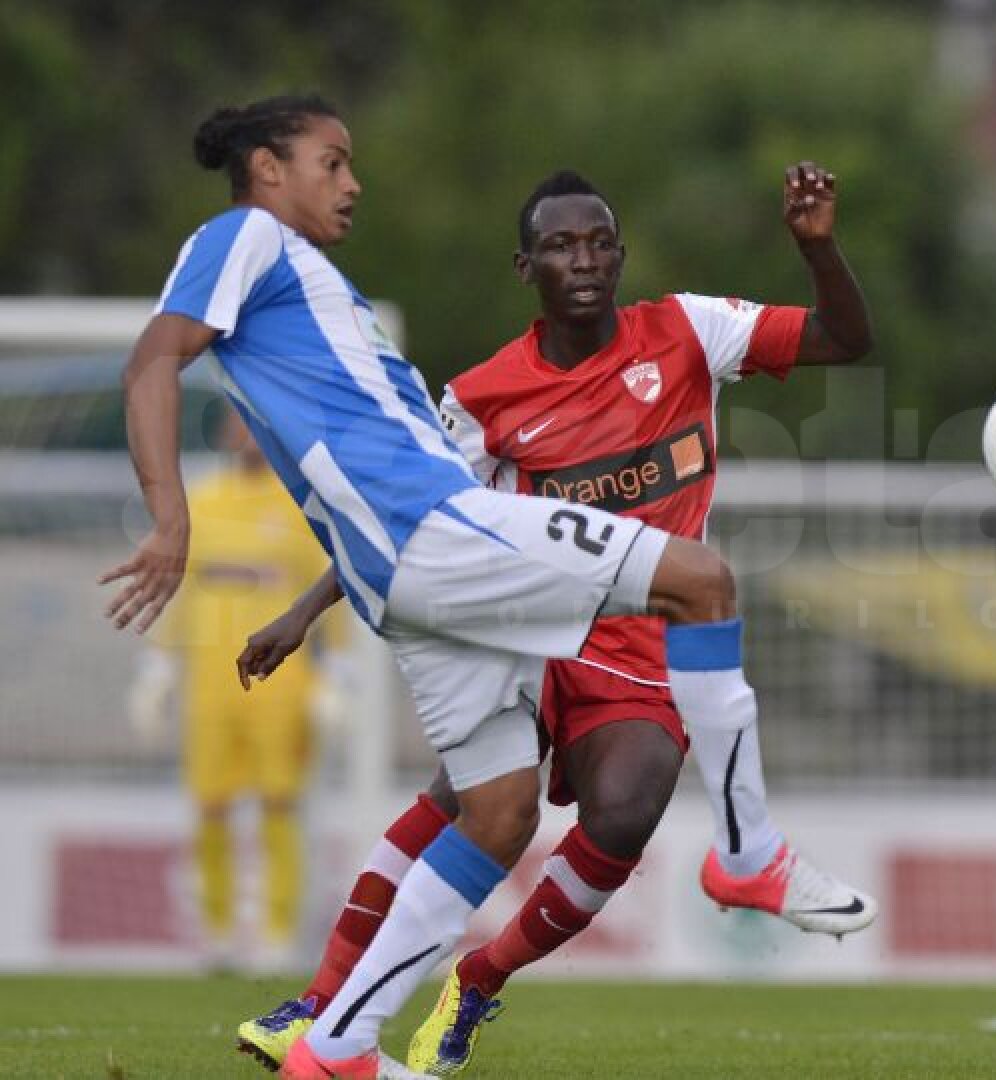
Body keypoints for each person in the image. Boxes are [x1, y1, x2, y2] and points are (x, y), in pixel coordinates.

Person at [98, 94, 816, 1080]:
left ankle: (337, 1043)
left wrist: (306, 609)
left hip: (405, 567)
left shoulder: (307, 279)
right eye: (332, 162)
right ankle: (748, 855)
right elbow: (153, 360)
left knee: (499, 810)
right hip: (433, 530)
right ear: (267, 168)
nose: (353, 183)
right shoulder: (246, 239)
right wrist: (171, 519)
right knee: (700, 579)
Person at [234, 165, 876, 1075]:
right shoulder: (482, 398)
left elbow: (843, 339)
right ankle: (318, 1006)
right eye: (561, 246)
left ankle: (479, 979)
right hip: (533, 631)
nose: (584, 260)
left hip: (650, 641)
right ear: (525, 266)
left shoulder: (688, 331)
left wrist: (818, 249)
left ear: (621, 256)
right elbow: (409, 521)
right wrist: (304, 611)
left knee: (625, 817)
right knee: (470, 803)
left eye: (601, 243)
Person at [127, 408, 344, 971]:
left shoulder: (300, 506)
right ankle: (218, 932)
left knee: (279, 804)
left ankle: (277, 934)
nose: (243, 434)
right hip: (208, 681)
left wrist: (336, 674)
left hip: (280, 681)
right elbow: (181, 588)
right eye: (235, 423)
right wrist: (159, 667)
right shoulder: (201, 501)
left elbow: (328, 589)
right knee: (210, 807)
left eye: (252, 423)